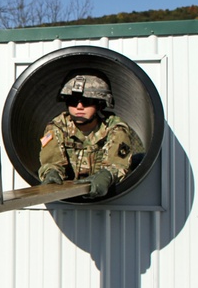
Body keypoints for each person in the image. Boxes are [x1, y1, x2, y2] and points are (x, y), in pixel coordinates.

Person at [37, 69, 134, 198]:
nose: (79, 106)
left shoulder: (114, 128)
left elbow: (118, 164)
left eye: (87, 101)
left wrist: (107, 175)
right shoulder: (57, 127)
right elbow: (51, 162)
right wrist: (51, 173)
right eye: (73, 101)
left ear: (100, 104)